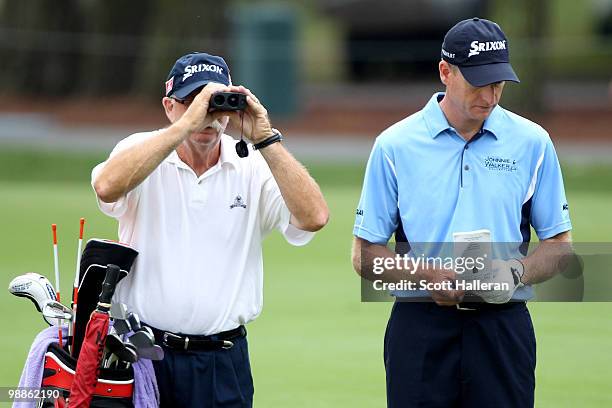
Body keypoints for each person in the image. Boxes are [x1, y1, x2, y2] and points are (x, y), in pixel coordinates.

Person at [352, 18, 573, 407]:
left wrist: (514, 272)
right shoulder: (395, 146)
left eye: (498, 84)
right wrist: (425, 274)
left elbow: (559, 246)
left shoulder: (533, 143)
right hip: (419, 326)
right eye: (477, 83)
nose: (489, 97)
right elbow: (365, 257)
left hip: (502, 326)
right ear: (445, 72)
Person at [92, 52, 329, 407]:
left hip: (223, 358)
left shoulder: (251, 164)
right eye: (191, 102)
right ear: (169, 106)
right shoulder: (140, 150)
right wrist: (184, 127)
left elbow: (314, 217)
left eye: (215, 103)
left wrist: (266, 138)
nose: (206, 115)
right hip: (143, 354)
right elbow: (107, 187)